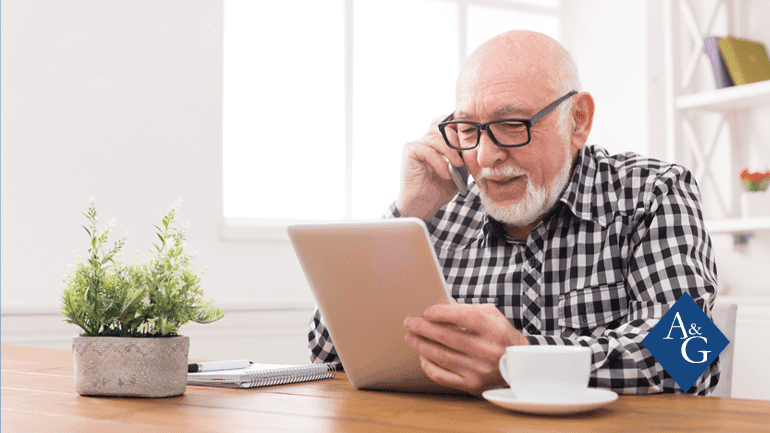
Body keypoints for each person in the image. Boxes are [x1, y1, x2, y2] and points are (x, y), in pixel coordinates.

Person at [308, 30, 719, 397]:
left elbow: (691, 354)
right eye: (468, 130)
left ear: (577, 120)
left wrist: (522, 360)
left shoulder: (652, 192)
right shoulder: (438, 214)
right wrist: (407, 214)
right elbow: (328, 354)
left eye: (510, 123)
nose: (486, 157)